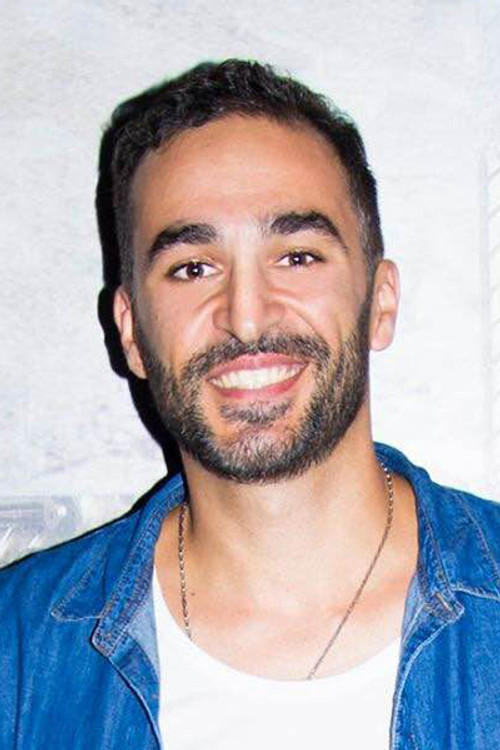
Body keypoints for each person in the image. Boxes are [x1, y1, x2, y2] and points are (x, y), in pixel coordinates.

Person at [1, 59, 499, 750]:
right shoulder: (17, 658)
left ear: (380, 302)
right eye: (192, 268)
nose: (246, 315)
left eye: (297, 256)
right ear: (132, 332)